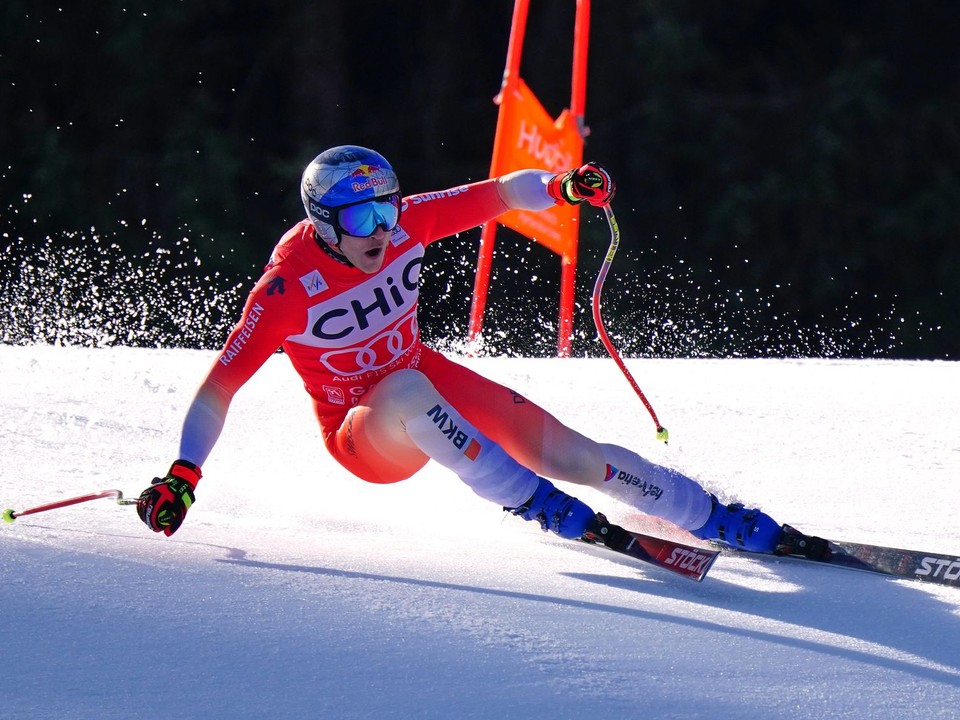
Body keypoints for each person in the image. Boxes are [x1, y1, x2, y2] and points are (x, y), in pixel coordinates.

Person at [137, 144, 790, 555]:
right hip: (363, 434)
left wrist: (562, 186)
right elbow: (219, 387)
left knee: (568, 451)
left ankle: (707, 514)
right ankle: (526, 499)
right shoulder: (286, 287)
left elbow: (502, 193)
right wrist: (184, 473)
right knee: (405, 391)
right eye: (363, 221)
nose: (382, 231)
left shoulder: (404, 225)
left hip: (426, 381)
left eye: (388, 211)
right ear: (323, 225)